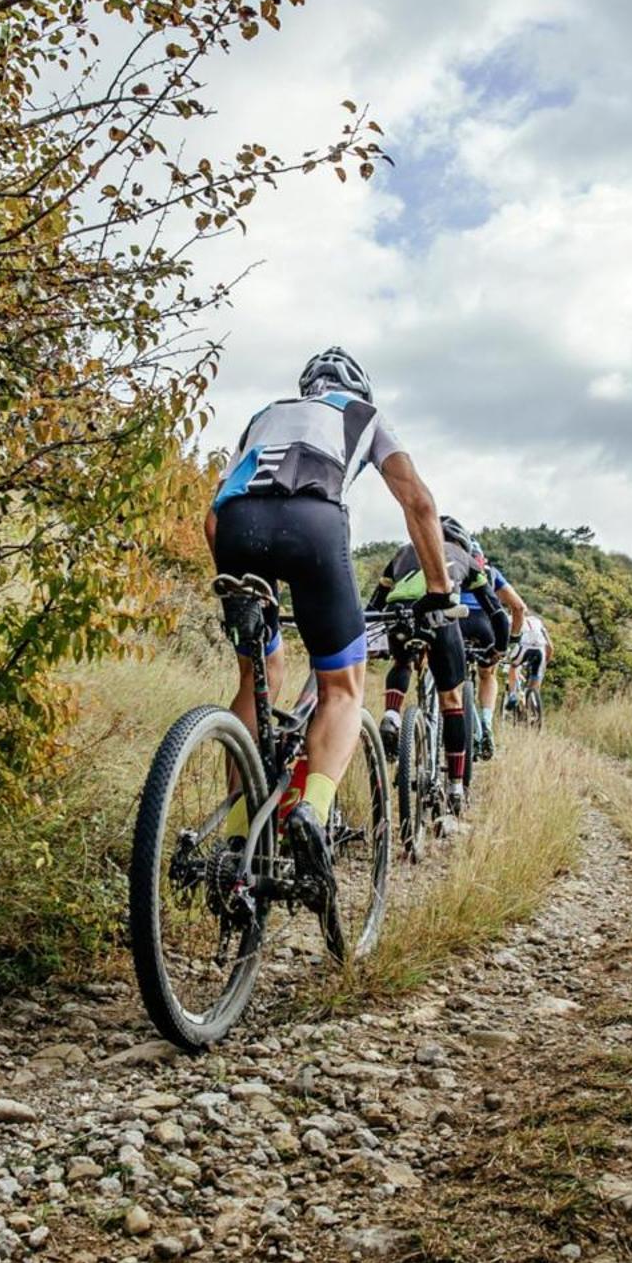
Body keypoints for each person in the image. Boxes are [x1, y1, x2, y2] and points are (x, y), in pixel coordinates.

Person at [205, 347, 456, 901]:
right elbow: (418, 502)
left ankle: (235, 837)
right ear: (359, 388)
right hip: (314, 527)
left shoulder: (265, 414)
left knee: (256, 676)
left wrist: (241, 583)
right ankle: (312, 812)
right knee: (342, 689)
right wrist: (439, 588)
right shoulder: (364, 414)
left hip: (237, 530)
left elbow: (212, 514)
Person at [365, 515, 506, 812]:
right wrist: (499, 650)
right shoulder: (466, 558)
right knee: (452, 701)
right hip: (439, 617)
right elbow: (497, 612)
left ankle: (392, 714)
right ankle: (455, 788)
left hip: (398, 614)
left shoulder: (404, 551)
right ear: (462, 541)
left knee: (402, 662)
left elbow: (374, 605)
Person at [466, 546, 527, 758]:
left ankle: (470, 725)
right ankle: (486, 721)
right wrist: (514, 639)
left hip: (454, 622)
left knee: (450, 679)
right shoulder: (491, 573)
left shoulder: (449, 563)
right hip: (485, 626)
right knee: (487, 675)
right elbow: (519, 608)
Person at [507, 611, 550, 711]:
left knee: (513, 666)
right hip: (541, 649)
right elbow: (549, 644)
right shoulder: (537, 620)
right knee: (535, 678)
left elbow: (507, 637)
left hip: (525, 647)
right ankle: (532, 701)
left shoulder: (511, 618)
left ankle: (513, 695)